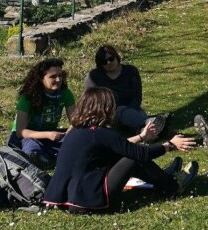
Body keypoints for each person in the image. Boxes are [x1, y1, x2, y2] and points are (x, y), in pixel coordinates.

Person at [43, 87, 198, 213]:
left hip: (64, 200)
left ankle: (163, 177)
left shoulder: (76, 132)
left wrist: (141, 137)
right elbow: (138, 153)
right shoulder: (100, 133)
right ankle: (173, 186)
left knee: (124, 155)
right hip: (88, 200)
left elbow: (116, 146)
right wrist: (169, 145)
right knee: (133, 159)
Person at [84, 45, 164, 137]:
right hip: (107, 116)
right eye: (104, 62)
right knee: (121, 111)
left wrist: (129, 111)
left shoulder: (130, 71)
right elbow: (90, 101)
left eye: (111, 59)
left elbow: (137, 97)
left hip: (131, 110)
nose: (108, 63)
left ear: (116, 57)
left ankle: (146, 131)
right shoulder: (94, 77)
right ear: (100, 64)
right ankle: (149, 125)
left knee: (128, 114)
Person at [9, 58, 75, 166]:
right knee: (31, 146)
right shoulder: (27, 97)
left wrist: (70, 132)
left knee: (76, 138)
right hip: (28, 135)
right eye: (53, 77)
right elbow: (20, 132)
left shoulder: (65, 93)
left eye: (60, 75)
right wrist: (48, 135)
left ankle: (50, 155)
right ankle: (38, 157)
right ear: (41, 78)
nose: (58, 80)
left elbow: (75, 121)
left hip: (51, 133)